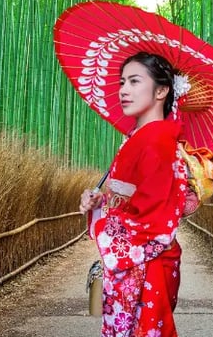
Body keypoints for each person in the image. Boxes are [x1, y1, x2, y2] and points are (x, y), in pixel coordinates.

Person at [79, 51, 188, 337]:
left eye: (134, 81)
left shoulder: (158, 141)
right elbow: (127, 199)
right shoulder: (140, 138)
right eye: (122, 82)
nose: (123, 90)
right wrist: (100, 202)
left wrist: (106, 221)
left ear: (162, 90)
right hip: (136, 257)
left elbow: (153, 214)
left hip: (146, 260)